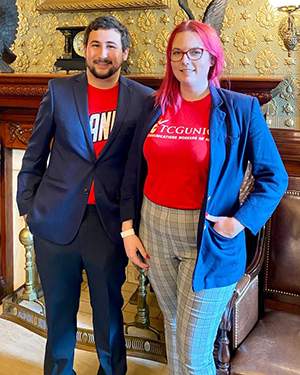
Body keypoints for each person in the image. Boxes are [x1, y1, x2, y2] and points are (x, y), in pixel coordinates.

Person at [120, 20, 288, 375]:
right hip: (155, 228)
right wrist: (128, 229)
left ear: (212, 58)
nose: (186, 60)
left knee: (196, 356)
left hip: (211, 238)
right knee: (174, 326)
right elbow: (133, 172)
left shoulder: (240, 109)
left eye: (195, 52)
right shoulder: (153, 106)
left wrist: (240, 222)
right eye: (177, 52)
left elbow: (274, 177)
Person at [17, 15, 153, 375]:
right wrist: (27, 205)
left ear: (124, 53)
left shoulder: (144, 100)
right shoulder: (60, 92)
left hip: (108, 225)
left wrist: (134, 223)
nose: (102, 53)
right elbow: (34, 153)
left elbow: (142, 166)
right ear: (85, 50)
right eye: (95, 45)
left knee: (109, 315)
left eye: (111, 46)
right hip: (55, 220)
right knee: (59, 314)